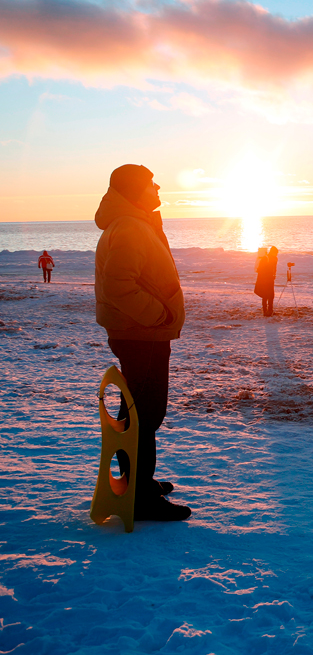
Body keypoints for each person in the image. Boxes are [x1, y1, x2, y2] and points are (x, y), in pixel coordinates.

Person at [94, 163, 190, 521]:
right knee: (145, 414)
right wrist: (159, 316)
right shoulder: (131, 227)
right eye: (151, 183)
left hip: (141, 333)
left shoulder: (135, 223)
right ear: (135, 191)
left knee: (140, 412)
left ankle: (137, 481)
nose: (158, 187)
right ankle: (139, 496)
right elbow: (119, 285)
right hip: (140, 333)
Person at [254, 246, 278, 317]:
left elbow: (274, 268)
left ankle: (270, 310)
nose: (276, 254)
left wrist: (274, 275)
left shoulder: (275, 258)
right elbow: (260, 269)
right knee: (265, 296)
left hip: (270, 279)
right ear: (272, 252)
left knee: (271, 295)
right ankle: (265, 311)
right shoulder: (266, 258)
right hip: (265, 280)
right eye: (276, 253)